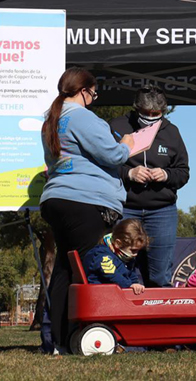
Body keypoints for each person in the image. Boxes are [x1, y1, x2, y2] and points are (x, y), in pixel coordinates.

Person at [40, 67, 134, 354]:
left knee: (64, 271)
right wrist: (127, 145)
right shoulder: (81, 116)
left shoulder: (51, 119)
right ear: (84, 91)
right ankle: (86, 337)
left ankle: (57, 341)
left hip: (56, 198)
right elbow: (112, 154)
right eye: (94, 93)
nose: (94, 98)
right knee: (88, 270)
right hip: (84, 200)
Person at [110, 85, 189, 288]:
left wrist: (165, 174)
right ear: (136, 108)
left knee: (160, 275)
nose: (151, 117)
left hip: (162, 211)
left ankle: (160, 318)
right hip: (125, 208)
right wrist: (129, 173)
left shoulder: (172, 132)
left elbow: (183, 172)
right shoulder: (117, 126)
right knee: (119, 269)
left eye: (157, 114)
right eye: (146, 113)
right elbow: (103, 165)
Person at [84, 219, 148, 295]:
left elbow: (131, 273)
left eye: (138, 251)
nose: (136, 254)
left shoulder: (125, 256)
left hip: (117, 294)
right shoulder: (102, 254)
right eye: (133, 250)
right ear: (118, 243)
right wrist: (129, 285)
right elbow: (111, 274)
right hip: (100, 293)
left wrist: (135, 284)